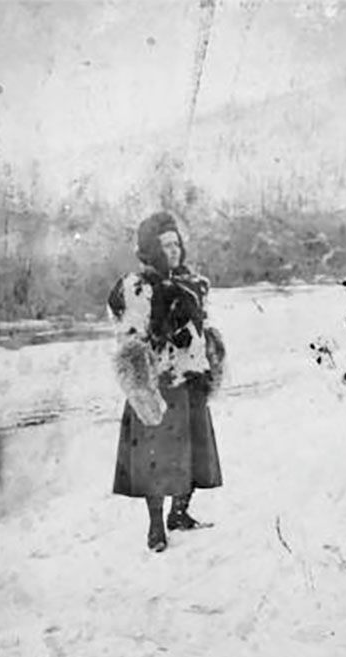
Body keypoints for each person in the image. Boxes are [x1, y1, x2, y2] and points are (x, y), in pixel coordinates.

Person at [107, 211, 225, 553]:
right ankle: (156, 527)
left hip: (192, 376)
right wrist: (144, 382)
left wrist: (209, 348)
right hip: (160, 384)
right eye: (166, 245)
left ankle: (180, 513)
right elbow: (130, 337)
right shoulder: (136, 287)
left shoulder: (193, 282)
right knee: (155, 457)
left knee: (192, 451)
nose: (173, 251)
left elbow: (201, 326)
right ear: (151, 249)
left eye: (177, 244)